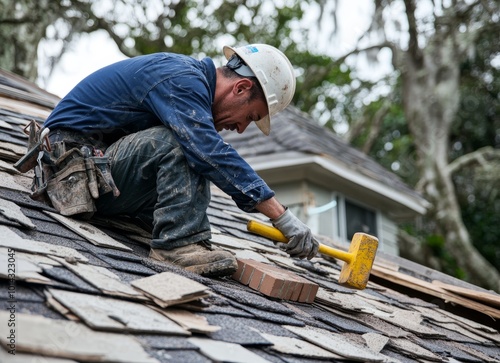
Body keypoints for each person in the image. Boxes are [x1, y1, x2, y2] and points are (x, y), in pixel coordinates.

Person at [42, 43, 319, 277]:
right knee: (183, 143)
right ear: (241, 88)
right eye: (251, 116)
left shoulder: (187, 85)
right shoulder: (181, 78)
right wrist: (282, 217)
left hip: (96, 175)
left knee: (192, 150)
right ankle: (175, 247)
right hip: (72, 175)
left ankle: (182, 237)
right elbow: (205, 149)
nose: (241, 128)